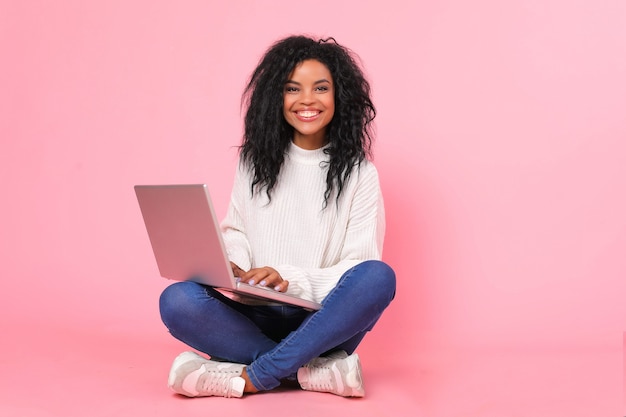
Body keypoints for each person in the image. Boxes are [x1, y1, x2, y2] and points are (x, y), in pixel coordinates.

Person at [159, 35, 396, 399]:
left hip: (321, 321)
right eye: (292, 88)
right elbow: (236, 228)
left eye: (321, 88)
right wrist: (232, 263)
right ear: (276, 97)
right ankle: (308, 371)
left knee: (378, 277)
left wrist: (290, 279)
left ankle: (254, 375)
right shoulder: (253, 162)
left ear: (340, 97)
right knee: (176, 300)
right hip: (252, 314)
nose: (307, 100)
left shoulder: (360, 173)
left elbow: (358, 265)